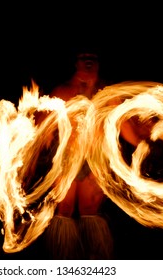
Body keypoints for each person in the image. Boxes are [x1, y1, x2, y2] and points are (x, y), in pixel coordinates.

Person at [38, 51, 114, 259]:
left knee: (90, 208)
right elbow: (44, 126)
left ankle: (96, 262)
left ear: (99, 63)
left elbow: (123, 127)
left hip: (95, 159)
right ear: (76, 62)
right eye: (84, 57)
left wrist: (144, 142)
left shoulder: (109, 95)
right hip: (67, 158)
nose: (89, 62)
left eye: (94, 57)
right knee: (65, 207)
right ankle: (63, 261)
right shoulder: (62, 92)